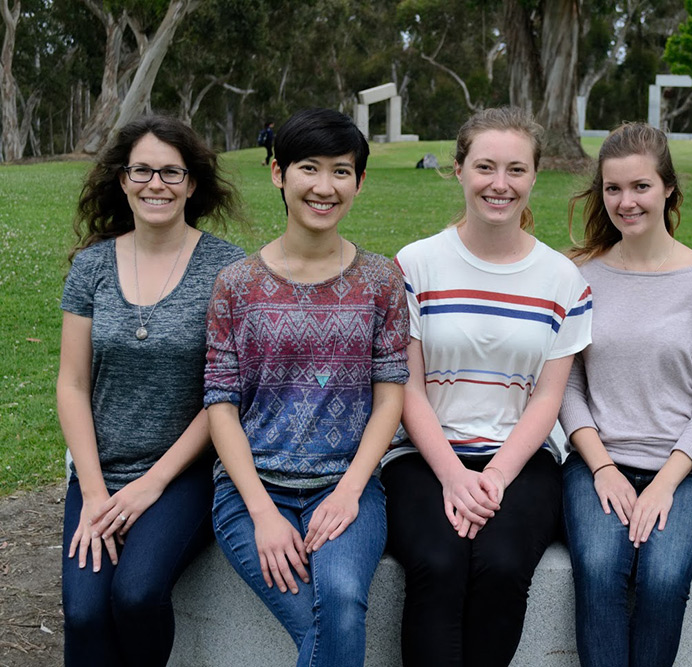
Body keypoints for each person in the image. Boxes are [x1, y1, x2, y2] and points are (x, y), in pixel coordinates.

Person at [381, 106, 593, 667]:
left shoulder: (562, 279)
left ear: (533, 178)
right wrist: (453, 475)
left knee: (501, 566)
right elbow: (409, 386)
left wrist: (495, 474)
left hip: (520, 462)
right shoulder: (416, 265)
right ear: (458, 171)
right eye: (485, 167)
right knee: (439, 562)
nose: (500, 185)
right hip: (423, 457)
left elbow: (549, 397)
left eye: (516, 170)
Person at [204, 108, 409, 667]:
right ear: (278, 174)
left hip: (348, 487)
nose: (324, 187)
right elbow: (219, 402)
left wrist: (350, 490)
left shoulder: (381, 279)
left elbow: (391, 394)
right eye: (309, 169)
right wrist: (262, 513)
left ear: (360, 183)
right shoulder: (237, 283)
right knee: (326, 625)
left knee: (341, 601)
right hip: (252, 491)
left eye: (341, 172)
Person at [57, 114, 246, 667]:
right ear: (122, 180)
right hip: (101, 470)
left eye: (170, 172)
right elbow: (71, 383)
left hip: (183, 475)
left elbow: (223, 395)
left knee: (136, 595)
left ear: (191, 183)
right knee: (86, 612)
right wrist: (93, 492)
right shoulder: (92, 267)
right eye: (141, 170)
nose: (155, 184)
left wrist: (152, 484)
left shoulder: (225, 269)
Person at [559, 122, 692, 667]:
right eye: (612, 188)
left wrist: (664, 482)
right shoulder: (580, 277)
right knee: (597, 569)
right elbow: (569, 388)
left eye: (640, 186)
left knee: (662, 577)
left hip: (687, 470)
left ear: (668, 189)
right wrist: (602, 468)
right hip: (599, 462)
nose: (625, 201)